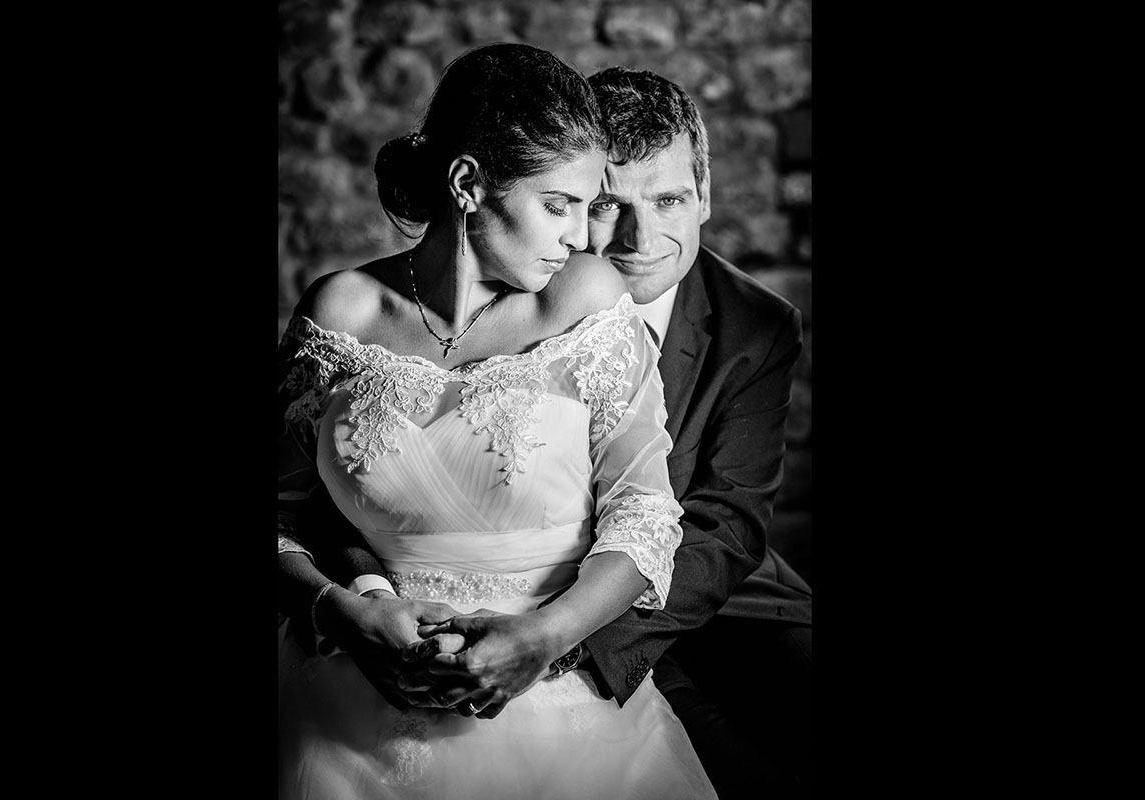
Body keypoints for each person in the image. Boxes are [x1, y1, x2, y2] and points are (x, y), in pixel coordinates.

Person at [294, 65, 815, 798]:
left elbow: (715, 522)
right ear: (472, 185)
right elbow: (311, 500)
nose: (614, 238)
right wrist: (361, 605)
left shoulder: (741, 322)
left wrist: (553, 643)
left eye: (668, 199)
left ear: (704, 197)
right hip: (398, 648)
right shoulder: (350, 311)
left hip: (700, 603)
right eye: (591, 203)